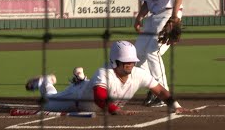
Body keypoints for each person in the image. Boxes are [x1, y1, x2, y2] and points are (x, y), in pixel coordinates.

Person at [23, 41, 193, 115]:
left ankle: (80, 78)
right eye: (125, 62)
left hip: (89, 94)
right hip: (76, 99)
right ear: (114, 62)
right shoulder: (104, 72)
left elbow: (161, 91)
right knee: (48, 101)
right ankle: (45, 82)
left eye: (132, 62)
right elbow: (99, 98)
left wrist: (175, 106)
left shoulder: (139, 73)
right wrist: (116, 111)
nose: (130, 65)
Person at [134, 0, 183, 107]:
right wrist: (139, 17)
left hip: (169, 13)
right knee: (137, 54)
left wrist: (174, 17)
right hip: (154, 16)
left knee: (152, 52)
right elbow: (147, 3)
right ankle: (153, 88)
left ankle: (163, 95)